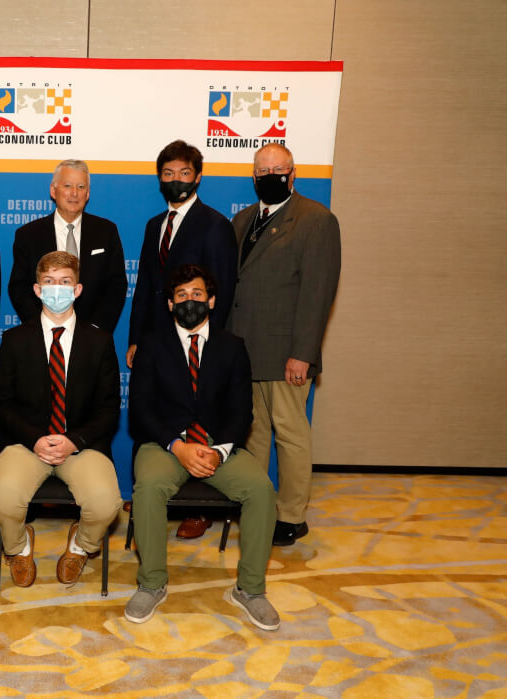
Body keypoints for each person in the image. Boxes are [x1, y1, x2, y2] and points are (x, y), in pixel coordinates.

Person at [125, 263, 279, 631]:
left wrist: (219, 450)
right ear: (169, 304)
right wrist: (178, 447)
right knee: (149, 487)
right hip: (165, 443)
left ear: (211, 300)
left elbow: (242, 411)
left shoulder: (233, 347)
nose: (189, 301)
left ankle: (251, 590)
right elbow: (141, 411)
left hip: (217, 443)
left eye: (197, 294)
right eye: (181, 296)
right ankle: (152, 583)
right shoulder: (151, 345)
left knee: (261, 490)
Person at [228, 143, 341, 546]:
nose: (271, 175)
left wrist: (303, 353)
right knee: (254, 435)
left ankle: (291, 516)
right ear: (254, 176)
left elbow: (318, 293)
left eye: (279, 169)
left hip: (285, 354)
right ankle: (258, 506)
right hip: (245, 352)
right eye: (263, 170)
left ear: (293, 174)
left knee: (290, 435)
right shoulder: (243, 220)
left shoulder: (316, 220)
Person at [126, 139, 239, 540]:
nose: (176, 180)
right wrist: (137, 338)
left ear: (198, 177)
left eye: (184, 173)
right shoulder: (154, 225)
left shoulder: (215, 225)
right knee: (154, 412)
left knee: (198, 415)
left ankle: (199, 506)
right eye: (168, 173)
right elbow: (146, 288)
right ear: (160, 178)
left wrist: (208, 345)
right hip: (157, 342)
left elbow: (220, 291)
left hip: (196, 342)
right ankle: (150, 492)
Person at [0, 251, 122, 587]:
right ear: (37, 289)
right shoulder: (14, 340)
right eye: (49, 282)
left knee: (106, 504)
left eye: (65, 282)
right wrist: (35, 439)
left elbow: (109, 408)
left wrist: (73, 441)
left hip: (81, 445)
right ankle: (19, 548)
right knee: (2, 498)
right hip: (26, 443)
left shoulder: (100, 341)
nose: (57, 289)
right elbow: (1, 405)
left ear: (77, 289)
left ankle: (80, 546)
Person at [7, 160, 127, 333]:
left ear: (87, 193)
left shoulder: (106, 231)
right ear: (53, 190)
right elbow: (19, 287)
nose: (74, 193)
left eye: (81, 187)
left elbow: (116, 286)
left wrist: (95, 330)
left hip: (93, 336)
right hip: (43, 334)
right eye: (67, 186)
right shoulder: (28, 234)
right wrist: (43, 327)